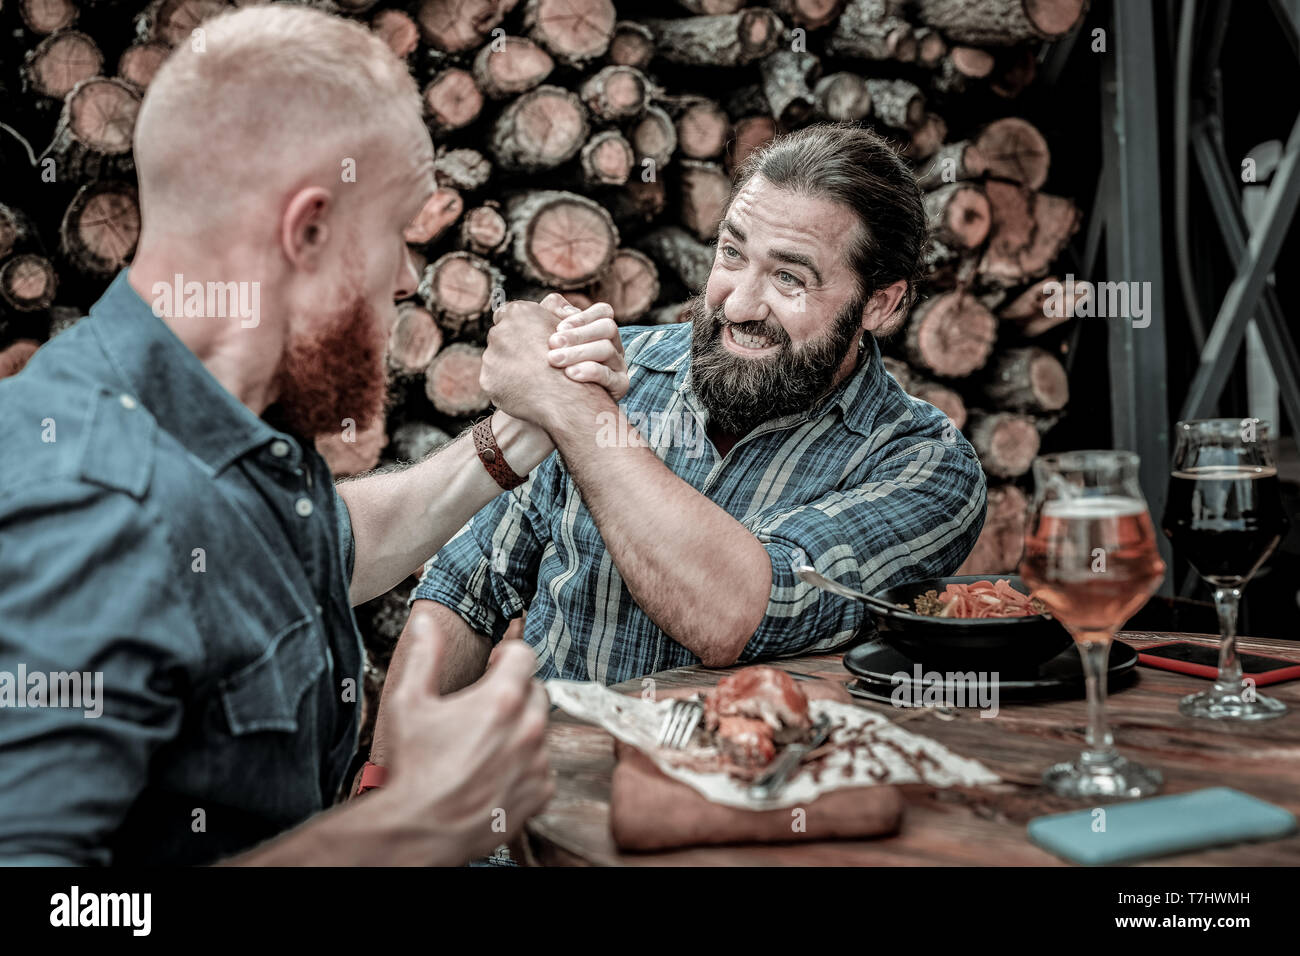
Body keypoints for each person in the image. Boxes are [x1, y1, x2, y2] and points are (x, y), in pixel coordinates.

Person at [0, 5, 629, 866]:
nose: (409, 280)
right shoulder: (90, 505)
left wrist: (516, 438)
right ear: (308, 231)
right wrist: (412, 826)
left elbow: (307, 547)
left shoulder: (204, 413)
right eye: (397, 234)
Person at [367, 123, 989, 776]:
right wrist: (382, 791)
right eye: (731, 255)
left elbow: (735, 614)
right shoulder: (617, 369)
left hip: (739, 832)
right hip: (531, 815)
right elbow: (463, 593)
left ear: (880, 304)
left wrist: (577, 413)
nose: (740, 303)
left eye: (790, 277)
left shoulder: (925, 466)